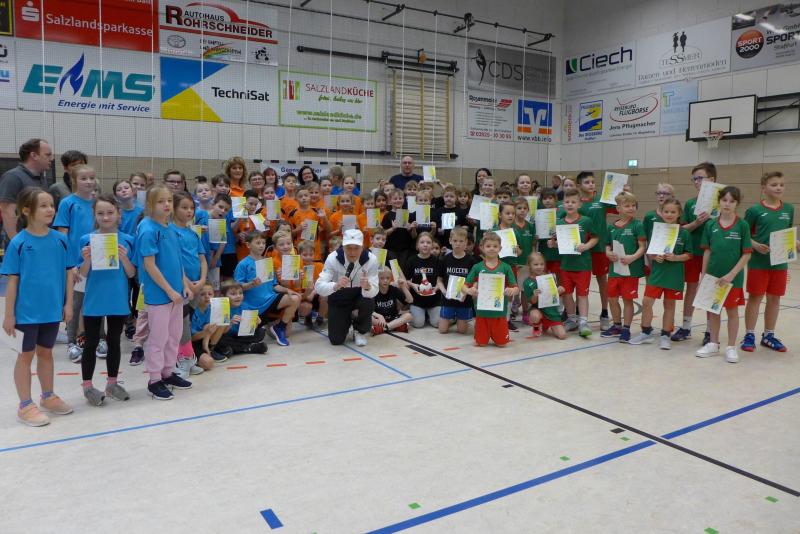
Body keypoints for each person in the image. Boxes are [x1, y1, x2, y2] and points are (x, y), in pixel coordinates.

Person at [2, 188, 74, 426]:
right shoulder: (19, 243)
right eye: (43, 206)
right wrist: (9, 315)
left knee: (46, 353)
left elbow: (69, 274)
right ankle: (25, 405)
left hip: (51, 310)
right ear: (26, 210)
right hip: (26, 313)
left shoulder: (61, 240)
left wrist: (68, 304)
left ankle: (48, 396)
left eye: (51, 205)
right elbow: (12, 281)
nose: (50, 210)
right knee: (25, 356)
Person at [136, 185, 194, 400]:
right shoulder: (147, 229)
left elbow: (177, 261)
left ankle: (168, 373)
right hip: (160, 296)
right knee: (158, 339)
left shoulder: (169, 227)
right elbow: (150, 265)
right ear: (150, 204)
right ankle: (154, 380)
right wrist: (169, 291)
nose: (167, 205)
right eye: (161, 201)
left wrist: (184, 284)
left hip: (176, 295)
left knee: (174, 336)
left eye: (169, 200)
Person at [77, 194, 135, 405]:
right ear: (94, 215)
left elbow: (131, 273)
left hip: (117, 298)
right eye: (100, 213)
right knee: (91, 342)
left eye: (110, 212)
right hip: (94, 298)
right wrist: (87, 259)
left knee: (114, 341)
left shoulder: (128, 240)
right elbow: (81, 275)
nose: (106, 217)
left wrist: (124, 257)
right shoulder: (86, 240)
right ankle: (87, 386)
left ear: (118, 214)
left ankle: (112, 383)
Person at [742, 171, 797, 352]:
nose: (778, 188)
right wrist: (755, 245)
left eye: (781, 184)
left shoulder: (788, 209)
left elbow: (788, 233)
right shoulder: (754, 211)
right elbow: (744, 235)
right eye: (774, 185)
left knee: (774, 298)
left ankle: (768, 335)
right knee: (755, 298)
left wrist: (794, 243)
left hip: (780, 264)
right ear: (763, 188)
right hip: (759, 264)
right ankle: (749, 334)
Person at [696, 186, 752, 363]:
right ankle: (713, 343)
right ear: (719, 201)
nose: (727, 204)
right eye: (724, 200)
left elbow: (746, 254)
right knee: (713, 311)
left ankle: (731, 347)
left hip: (733, 279)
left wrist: (731, 274)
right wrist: (703, 276)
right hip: (713, 277)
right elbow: (707, 252)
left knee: (732, 312)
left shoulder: (742, 225)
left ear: (737, 203)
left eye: (732, 201)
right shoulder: (710, 225)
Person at [629, 198, 690, 349]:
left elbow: (689, 254)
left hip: (674, 275)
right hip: (657, 273)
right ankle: (646, 332)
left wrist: (676, 257)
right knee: (647, 302)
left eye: (673, 212)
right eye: (666, 211)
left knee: (669, 305)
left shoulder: (684, 233)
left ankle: (665, 335)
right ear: (661, 213)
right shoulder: (656, 231)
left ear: (679, 214)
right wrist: (654, 257)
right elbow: (650, 252)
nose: (669, 214)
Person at [673, 162, 717, 345]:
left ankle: (710, 331)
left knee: (709, 290)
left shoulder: (722, 203)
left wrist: (714, 218)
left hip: (713, 254)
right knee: (691, 288)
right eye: (694, 179)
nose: (696, 182)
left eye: (700, 178)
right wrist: (697, 222)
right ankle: (686, 326)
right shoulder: (691, 203)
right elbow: (683, 229)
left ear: (711, 179)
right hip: (693, 253)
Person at [315, 229, 380, 346]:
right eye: (349, 248)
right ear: (343, 247)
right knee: (336, 340)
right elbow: (319, 287)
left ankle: (360, 331)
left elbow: (375, 290)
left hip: (360, 295)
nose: (352, 252)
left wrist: (368, 287)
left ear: (362, 247)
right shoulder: (332, 258)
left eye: (356, 248)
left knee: (368, 301)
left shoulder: (371, 259)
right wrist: (336, 285)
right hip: (339, 296)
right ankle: (346, 320)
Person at [551, 189, 598, 337]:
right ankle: (571, 319)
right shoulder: (559, 222)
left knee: (582, 294)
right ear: (563, 204)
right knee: (567, 294)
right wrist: (553, 244)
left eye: (573, 202)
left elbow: (595, 238)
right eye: (567, 202)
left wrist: (586, 246)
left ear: (579, 204)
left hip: (583, 265)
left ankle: (583, 322)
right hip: (566, 265)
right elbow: (559, 243)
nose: (570, 204)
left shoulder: (586, 221)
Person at [602, 192, 646, 342]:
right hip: (615, 270)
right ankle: (617, 326)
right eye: (627, 205)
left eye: (633, 205)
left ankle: (626, 329)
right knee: (612, 299)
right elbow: (607, 245)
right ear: (618, 208)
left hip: (630, 271)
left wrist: (632, 257)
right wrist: (608, 253)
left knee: (628, 300)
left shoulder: (637, 225)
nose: (631, 208)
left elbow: (642, 247)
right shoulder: (611, 227)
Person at [464, 232, 519, 347]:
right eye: (488, 246)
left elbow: (516, 288)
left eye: (495, 246)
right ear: (482, 248)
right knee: (481, 344)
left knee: (502, 345)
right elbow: (464, 286)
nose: (492, 249)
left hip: (499, 313)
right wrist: (469, 291)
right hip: (482, 313)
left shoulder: (506, 267)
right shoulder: (477, 267)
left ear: (500, 248)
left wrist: (511, 290)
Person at [0, 139, 54, 240]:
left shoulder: (42, 179)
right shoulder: (13, 177)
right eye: (47, 155)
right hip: (23, 241)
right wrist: (16, 242)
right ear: (34, 155)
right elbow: (7, 211)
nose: (51, 158)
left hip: (40, 239)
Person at [438, 227, 479, 334]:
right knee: (442, 330)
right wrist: (444, 292)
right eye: (455, 241)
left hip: (464, 300)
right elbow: (439, 280)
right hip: (448, 299)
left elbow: (475, 280)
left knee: (462, 331)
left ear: (466, 242)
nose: (458, 244)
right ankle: (452, 318)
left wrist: (471, 290)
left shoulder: (471, 261)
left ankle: (459, 319)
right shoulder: (445, 259)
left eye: (461, 241)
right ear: (450, 241)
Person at [524, 252, 566, 339]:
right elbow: (532, 302)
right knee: (535, 315)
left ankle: (546, 325)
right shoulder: (527, 282)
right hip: (537, 309)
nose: (539, 267)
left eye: (541, 264)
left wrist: (560, 290)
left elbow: (554, 295)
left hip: (551, 310)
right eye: (536, 264)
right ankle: (536, 325)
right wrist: (535, 295)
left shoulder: (550, 278)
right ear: (529, 265)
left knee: (562, 336)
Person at [371, 268, 413, 335]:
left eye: (387, 278)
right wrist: (380, 316)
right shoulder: (374, 291)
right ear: (377, 279)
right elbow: (369, 310)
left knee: (408, 316)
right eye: (382, 278)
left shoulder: (393, 289)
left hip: (393, 318)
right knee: (369, 318)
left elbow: (410, 300)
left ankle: (384, 328)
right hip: (379, 320)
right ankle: (396, 326)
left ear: (390, 279)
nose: (385, 280)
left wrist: (403, 287)